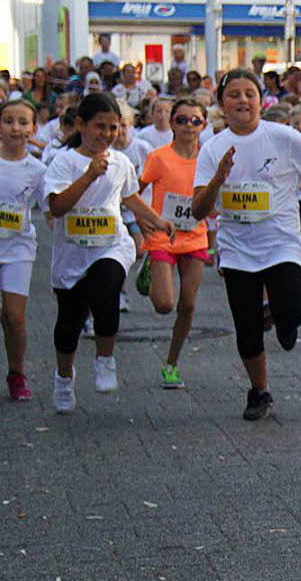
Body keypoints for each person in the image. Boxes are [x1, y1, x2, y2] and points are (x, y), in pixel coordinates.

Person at [192, 69, 301, 421]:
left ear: (261, 99)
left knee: (293, 312)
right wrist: (219, 179)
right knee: (246, 328)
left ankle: (283, 320)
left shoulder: (283, 136)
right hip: (237, 249)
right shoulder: (213, 147)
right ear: (222, 104)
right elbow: (199, 208)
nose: (243, 100)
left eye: (250, 93)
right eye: (234, 95)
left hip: (281, 243)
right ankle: (259, 391)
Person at [44, 92, 174, 413]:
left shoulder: (121, 162)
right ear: (81, 125)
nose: (106, 135)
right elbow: (57, 207)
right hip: (73, 251)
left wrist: (156, 221)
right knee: (69, 322)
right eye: (99, 127)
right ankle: (63, 378)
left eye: (113, 128)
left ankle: (105, 359)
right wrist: (89, 175)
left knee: (106, 290)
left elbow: (129, 197)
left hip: (111, 244)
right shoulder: (64, 162)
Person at [137, 99, 210, 389]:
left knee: (188, 305)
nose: (188, 126)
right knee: (165, 304)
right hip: (162, 236)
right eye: (182, 120)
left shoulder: (207, 158)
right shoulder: (159, 158)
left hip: (194, 236)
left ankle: (171, 364)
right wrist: (141, 218)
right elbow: (134, 190)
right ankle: (150, 270)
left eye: (196, 121)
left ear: (204, 125)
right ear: (172, 124)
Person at [0, 100, 48, 400]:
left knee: (14, 317)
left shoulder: (38, 169)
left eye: (22, 122)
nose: (15, 128)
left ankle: (16, 374)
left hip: (18, 248)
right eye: (8, 121)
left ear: (33, 128)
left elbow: (52, 208)